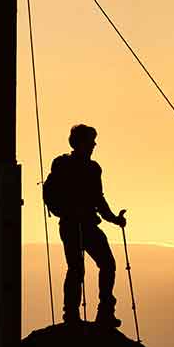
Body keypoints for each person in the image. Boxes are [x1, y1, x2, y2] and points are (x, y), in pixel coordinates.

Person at [50, 124, 126, 327]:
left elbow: (98, 200)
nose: (94, 144)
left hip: (83, 224)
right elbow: (97, 200)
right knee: (78, 268)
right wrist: (113, 219)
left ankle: (99, 313)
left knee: (103, 264)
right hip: (72, 225)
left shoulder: (92, 169)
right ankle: (77, 315)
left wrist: (114, 219)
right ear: (80, 143)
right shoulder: (66, 165)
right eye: (91, 141)